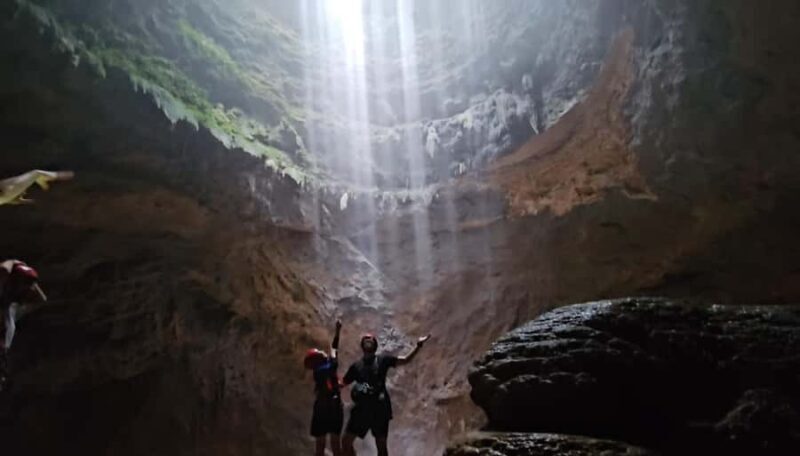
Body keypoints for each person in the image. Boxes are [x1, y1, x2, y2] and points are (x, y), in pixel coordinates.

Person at [341, 332, 431, 456]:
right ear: (362, 345)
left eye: (370, 339)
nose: (368, 340)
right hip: (362, 409)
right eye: (365, 339)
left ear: (375, 344)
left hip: (379, 408)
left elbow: (405, 360)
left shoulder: (383, 360)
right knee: (346, 442)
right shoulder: (356, 367)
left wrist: (418, 346)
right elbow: (343, 383)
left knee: (381, 445)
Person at [0, 260, 48, 391]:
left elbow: (41, 299)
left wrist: (25, 270)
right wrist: (13, 262)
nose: (30, 289)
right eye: (26, 285)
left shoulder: (13, 308)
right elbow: (4, 270)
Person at [304, 319, 344, 456]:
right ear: (316, 360)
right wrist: (337, 335)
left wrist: (337, 333)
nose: (322, 352)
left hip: (326, 407)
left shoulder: (321, 369)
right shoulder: (322, 370)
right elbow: (334, 359)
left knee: (325, 444)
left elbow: (334, 350)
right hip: (329, 408)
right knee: (330, 444)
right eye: (319, 352)